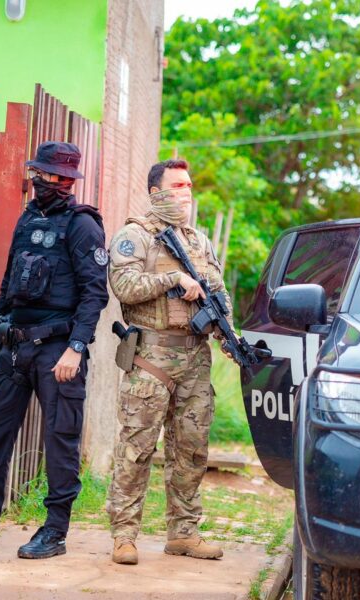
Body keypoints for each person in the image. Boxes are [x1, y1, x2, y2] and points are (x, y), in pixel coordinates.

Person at [0, 141, 109, 559]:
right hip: (15, 346)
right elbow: (11, 278)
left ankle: (54, 531)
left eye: (53, 177)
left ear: (69, 181)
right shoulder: (28, 218)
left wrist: (76, 348)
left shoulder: (83, 225)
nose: (43, 183)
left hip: (57, 350)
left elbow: (95, 294)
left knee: (61, 441)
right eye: (40, 175)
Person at [106, 159, 232, 565]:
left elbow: (220, 292)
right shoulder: (134, 237)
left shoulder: (200, 241)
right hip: (151, 358)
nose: (187, 192)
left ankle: (183, 533)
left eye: (190, 185)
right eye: (178, 185)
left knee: (192, 450)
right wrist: (173, 280)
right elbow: (123, 286)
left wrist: (224, 328)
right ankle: (124, 536)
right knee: (137, 448)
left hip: (195, 357)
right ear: (156, 192)